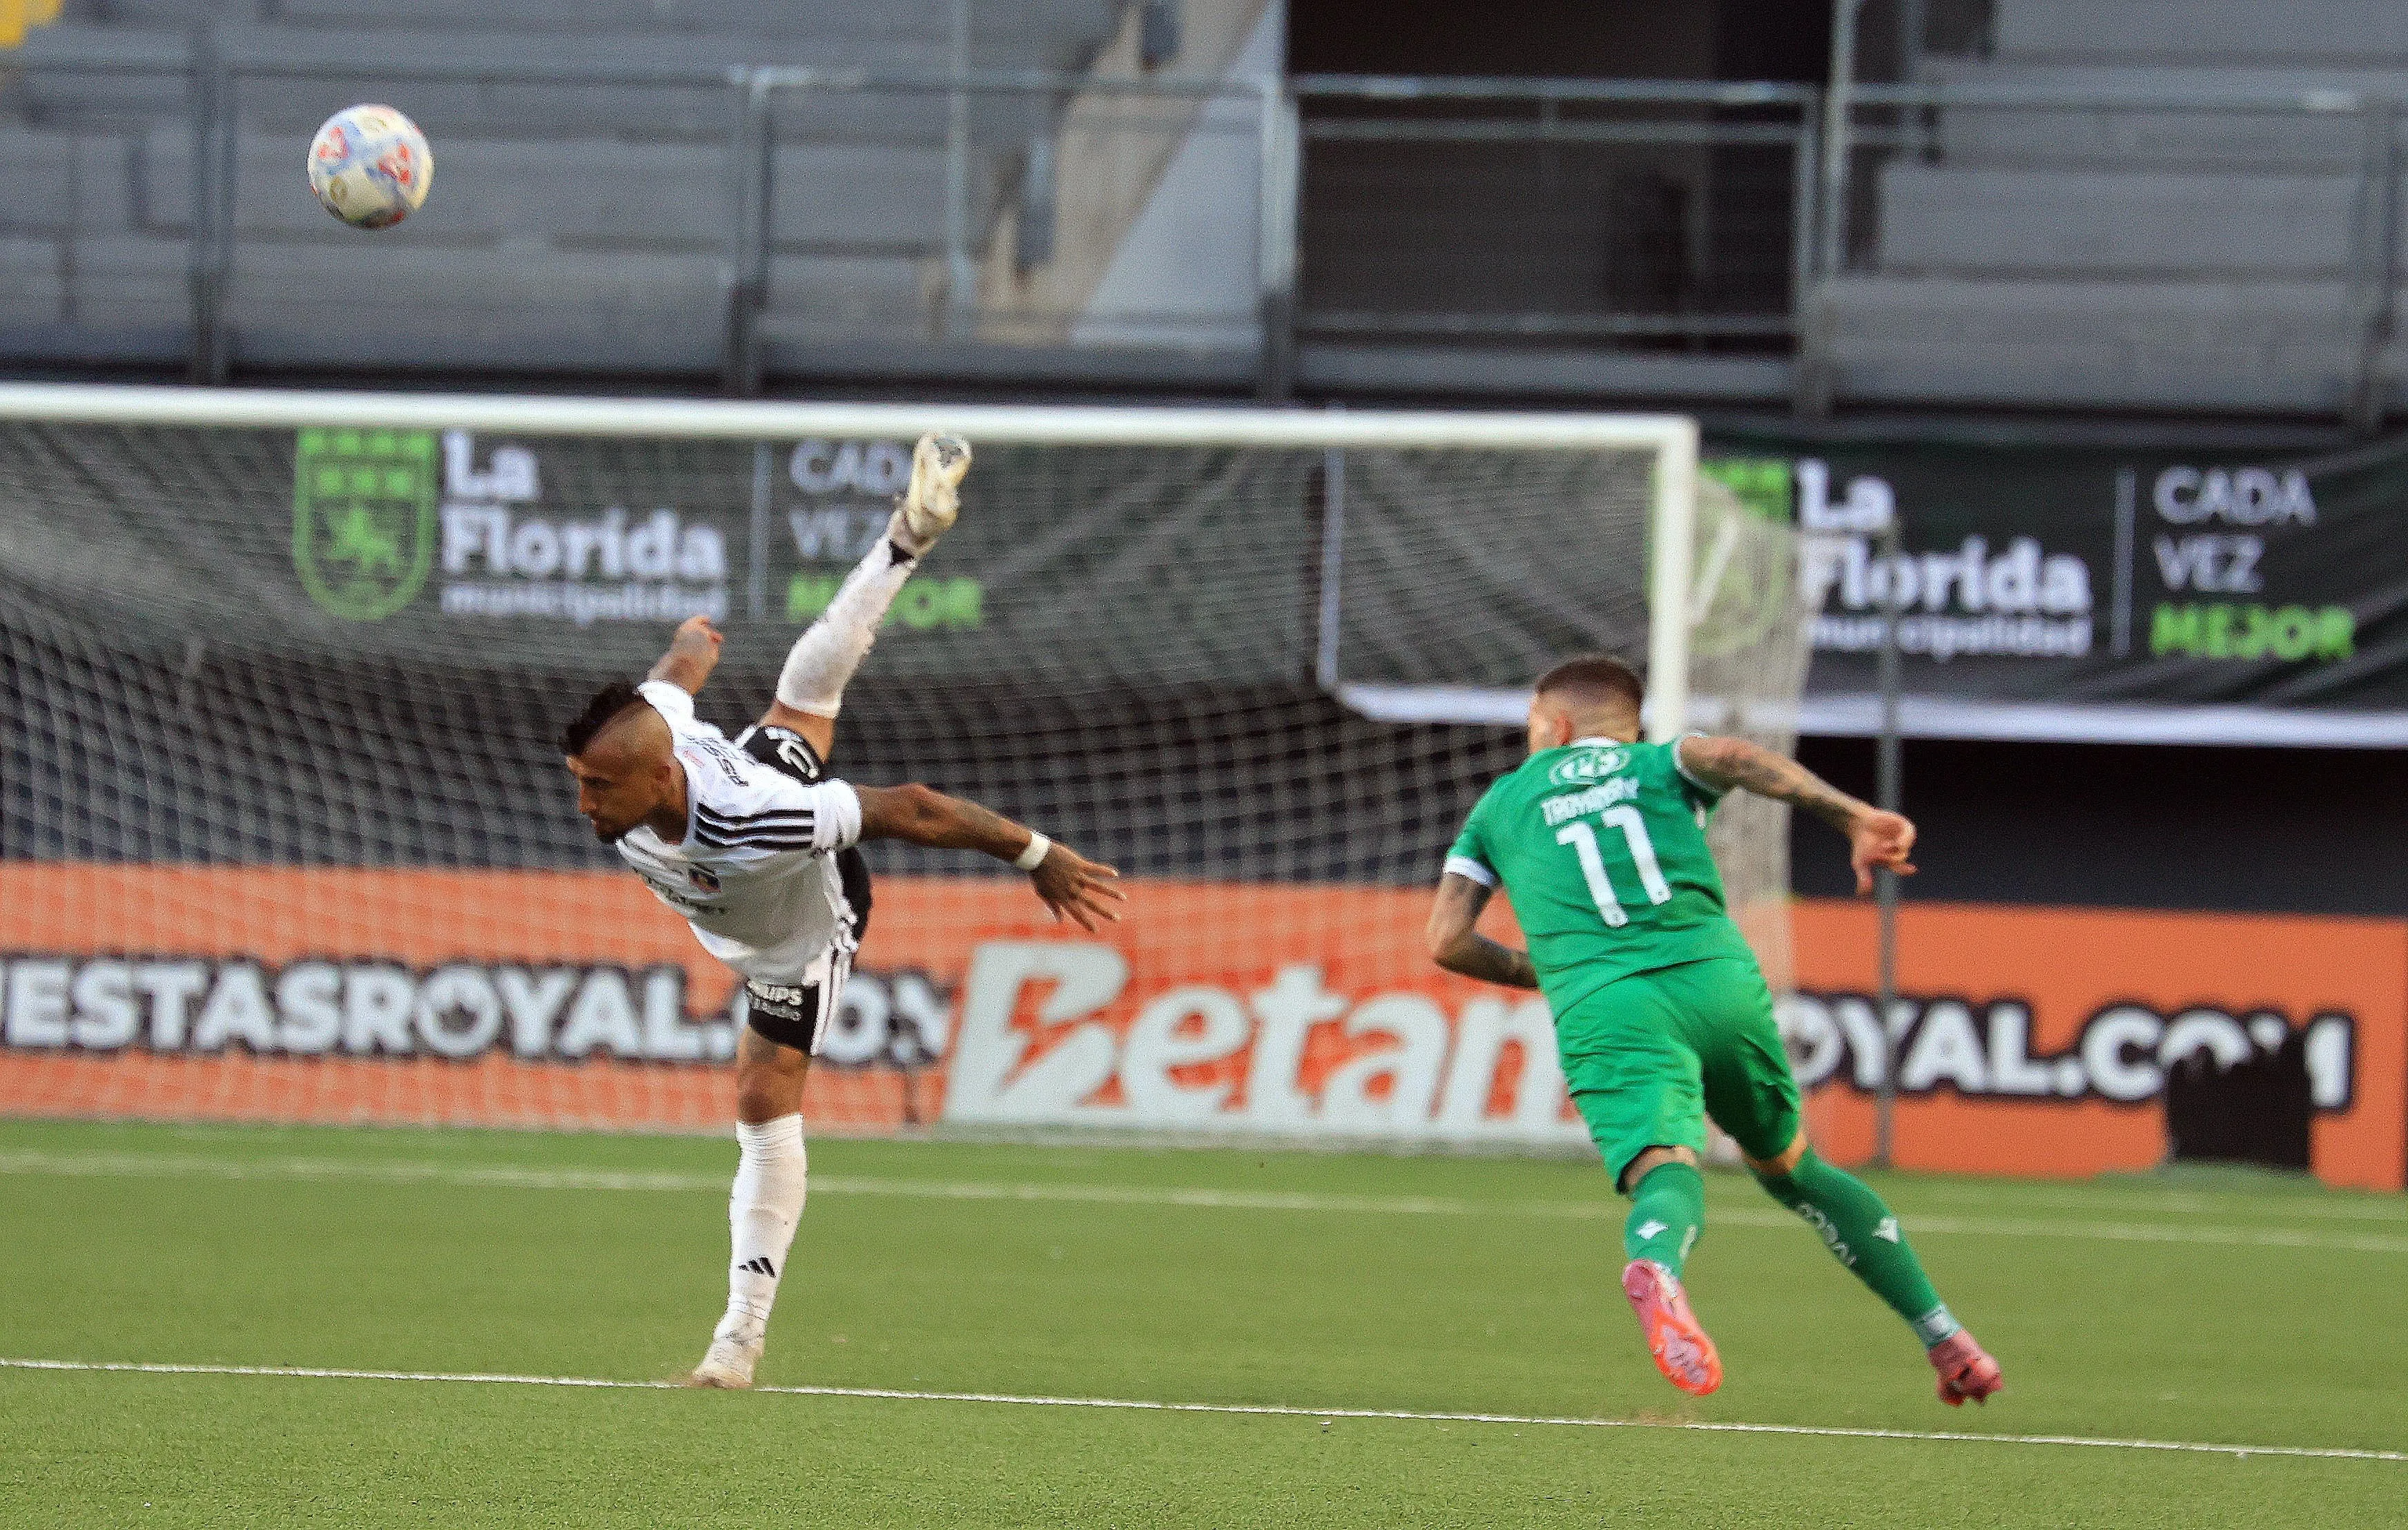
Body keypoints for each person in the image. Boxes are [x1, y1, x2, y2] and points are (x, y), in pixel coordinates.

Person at [557, 433, 1123, 1388]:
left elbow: (913, 808)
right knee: (801, 700)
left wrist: (1038, 854)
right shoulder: (654, 741)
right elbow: (673, 682)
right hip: (749, 786)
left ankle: (737, 1340)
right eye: (577, 781)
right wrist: (691, 646)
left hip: (802, 929)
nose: (583, 804)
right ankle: (907, 537)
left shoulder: (759, 822)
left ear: (659, 777)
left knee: (761, 1096)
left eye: (598, 786)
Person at [1426, 653, 2001, 1405]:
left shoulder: (1501, 803)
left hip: (1605, 1002)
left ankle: (1658, 1265)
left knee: (1664, 1168)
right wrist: (1853, 816)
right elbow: (1729, 755)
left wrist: (1558, 970)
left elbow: (1446, 940)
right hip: (1717, 979)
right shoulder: (1660, 761)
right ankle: (1946, 1337)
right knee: (1794, 1168)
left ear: (1555, 725)